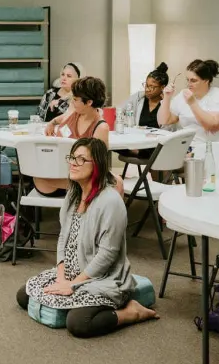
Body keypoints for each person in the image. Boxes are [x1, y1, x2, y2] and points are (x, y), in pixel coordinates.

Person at [16, 138, 159, 338]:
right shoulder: (73, 195)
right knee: (24, 296)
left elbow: (108, 254)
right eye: (72, 157)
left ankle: (131, 312)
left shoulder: (110, 202)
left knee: (78, 324)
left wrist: (73, 284)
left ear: (98, 165)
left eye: (81, 159)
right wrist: (61, 278)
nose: (73, 163)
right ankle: (73, 301)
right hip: (72, 272)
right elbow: (63, 237)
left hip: (101, 277)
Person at [37, 76, 110, 196]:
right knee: (35, 175)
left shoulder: (100, 128)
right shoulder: (74, 110)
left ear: (89, 102)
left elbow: (98, 169)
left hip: (74, 181)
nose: (72, 102)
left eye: (75, 99)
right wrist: (52, 123)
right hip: (54, 174)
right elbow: (64, 117)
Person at [160, 59, 219, 143]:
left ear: (206, 80)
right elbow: (165, 121)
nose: (189, 84)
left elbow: (213, 126)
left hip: (210, 148)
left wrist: (193, 103)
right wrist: (166, 98)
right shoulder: (183, 94)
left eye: (193, 80)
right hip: (185, 145)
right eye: (188, 80)